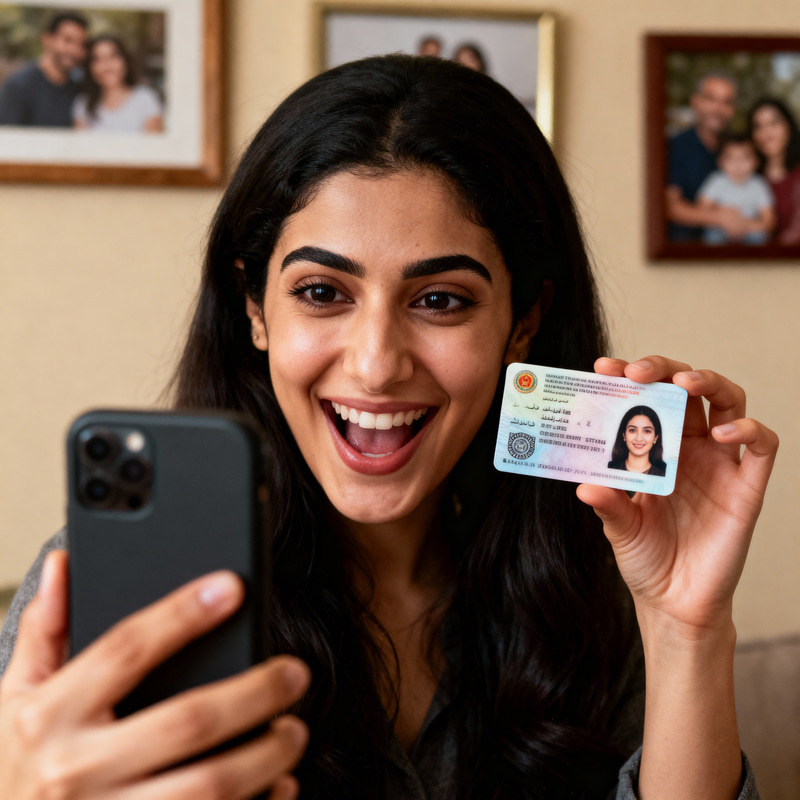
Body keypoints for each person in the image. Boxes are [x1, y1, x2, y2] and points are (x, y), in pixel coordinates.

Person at [0, 55, 777, 799]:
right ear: (253, 308)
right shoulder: (101, 585)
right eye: (321, 291)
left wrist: (688, 628)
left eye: (440, 300)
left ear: (523, 325)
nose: (375, 365)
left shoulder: (597, 575)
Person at [665, 72, 754, 242]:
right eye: (711, 99)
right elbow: (670, 206)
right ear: (695, 102)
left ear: (732, 109)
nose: (718, 109)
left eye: (727, 102)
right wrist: (719, 218)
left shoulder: (738, 148)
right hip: (686, 252)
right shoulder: (676, 146)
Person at [0, 11, 88, 127]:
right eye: (68, 40)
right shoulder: (19, 86)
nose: (75, 50)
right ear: (47, 39)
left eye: (81, 44)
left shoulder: (79, 88)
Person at [72, 34, 164, 133]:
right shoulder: (83, 104)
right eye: (97, 59)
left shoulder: (145, 99)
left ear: (125, 62)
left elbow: (153, 146)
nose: (106, 66)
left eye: (112, 57)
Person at [696, 132, 775, 245]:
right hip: (720, 227)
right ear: (720, 162)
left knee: (760, 237)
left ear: (756, 161)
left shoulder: (759, 184)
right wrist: (723, 219)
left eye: (744, 158)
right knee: (712, 237)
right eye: (731, 158)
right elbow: (702, 208)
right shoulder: (716, 181)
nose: (738, 165)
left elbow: (769, 221)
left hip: (750, 228)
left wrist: (744, 226)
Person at [748, 97, 800, 245]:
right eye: (758, 126)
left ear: (789, 126)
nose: (766, 133)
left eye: (774, 123)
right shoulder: (746, 177)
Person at [607, 406, 667, 476]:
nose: (639, 439)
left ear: (655, 438)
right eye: (632, 430)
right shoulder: (609, 468)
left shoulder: (665, 474)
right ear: (624, 435)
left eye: (647, 431)